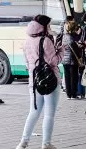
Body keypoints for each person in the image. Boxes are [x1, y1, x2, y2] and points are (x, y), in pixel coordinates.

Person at [16, 15, 64, 149]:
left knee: (34, 112)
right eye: (48, 25)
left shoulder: (27, 41)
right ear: (43, 27)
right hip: (50, 81)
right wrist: (61, 50)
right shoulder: (46, 40)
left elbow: (27, 64)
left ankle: (23, 142)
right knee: (49, 114)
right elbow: (54, 61)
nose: (49, 28)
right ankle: (46, 144)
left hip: (34, 81)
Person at [62, 20, 81, 99]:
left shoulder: (64, 36)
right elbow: (75, 50)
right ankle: (73, 94)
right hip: (72, 60)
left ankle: (68, 94)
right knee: (74, 78)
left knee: (67, 78)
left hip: (65, 59)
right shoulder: (72, 37)